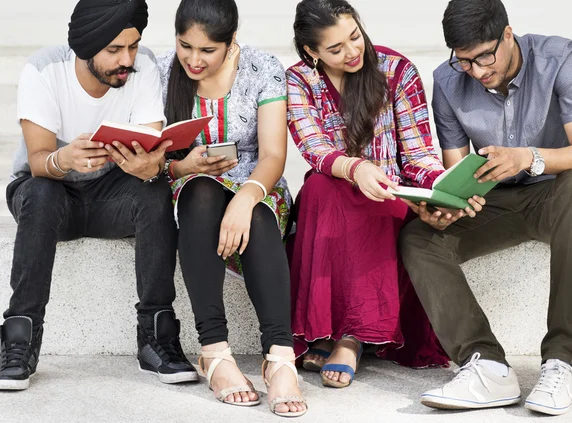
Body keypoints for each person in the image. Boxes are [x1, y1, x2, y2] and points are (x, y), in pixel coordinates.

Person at [399, 0, 572, 416]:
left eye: (484, 56)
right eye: (464, 61)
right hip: (496, 200)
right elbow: (457, 173)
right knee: (420, 236)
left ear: (507, 34)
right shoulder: (448, 81)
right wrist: (446, 206)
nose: (476, 70)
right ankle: (486, 364)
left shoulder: (559, 58)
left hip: (557, 193)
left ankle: (561, 361)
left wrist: (529, 157)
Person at [0, 0, 199, 391]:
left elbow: (151, 149)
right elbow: (38, 161)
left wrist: (149, 166)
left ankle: (156, 337)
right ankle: (18, 339)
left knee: (154, 190)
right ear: (84, 46)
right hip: (50, 195)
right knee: (41, 193)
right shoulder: (45, 69)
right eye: (114, 50)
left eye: (133, 45)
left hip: (112, 196)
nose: (127, 59)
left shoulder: (141, 67)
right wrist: (65, 158)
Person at [286, 0, 463, 389]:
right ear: (312, 53)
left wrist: (442, 189)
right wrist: (355, 167)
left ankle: (351, 338)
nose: (352, 52)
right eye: (335, 49)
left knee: (379, 201)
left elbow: (417, 154)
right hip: (333, 195)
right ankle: (323, 330)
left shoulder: (396, 70)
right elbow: (312, 147)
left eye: (354, 37)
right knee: (317, 187)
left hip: (389, 196)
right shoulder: (300, 81)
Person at [156, 0, 306, 417]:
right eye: (186, 46)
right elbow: (155, 157)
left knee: (257, 217)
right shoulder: (163, 69)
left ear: (231, 42)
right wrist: (183, 165)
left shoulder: (261, 68)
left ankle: (279, 357)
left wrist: (245, 196)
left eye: (207, 50)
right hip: (190, 187)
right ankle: (215, 352)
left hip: (257, 185)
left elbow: (274, 155)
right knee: (201, 190)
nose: (193, 59)